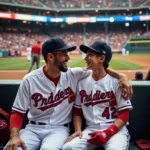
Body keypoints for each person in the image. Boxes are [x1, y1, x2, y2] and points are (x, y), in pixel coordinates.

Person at [4, 37, 132, 150]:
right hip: (33, 128)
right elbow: (17, 112)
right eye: (64, 54)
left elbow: (101, 69)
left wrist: (121, 76)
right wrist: (14, 136)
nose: (68, 58)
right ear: (50, 57)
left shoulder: (75, 74)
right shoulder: (30, 80)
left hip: (60, 129)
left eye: (67, 53)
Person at [63, 41, 133, 150]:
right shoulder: (82, 82)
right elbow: (77, 111)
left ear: (101, 59)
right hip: (91, 129)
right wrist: (78, 130)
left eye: (90, 55)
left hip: (115, 130)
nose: (86, 58)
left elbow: (124, 114)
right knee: (69, 147)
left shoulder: (117, 82)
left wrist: (107, 133)